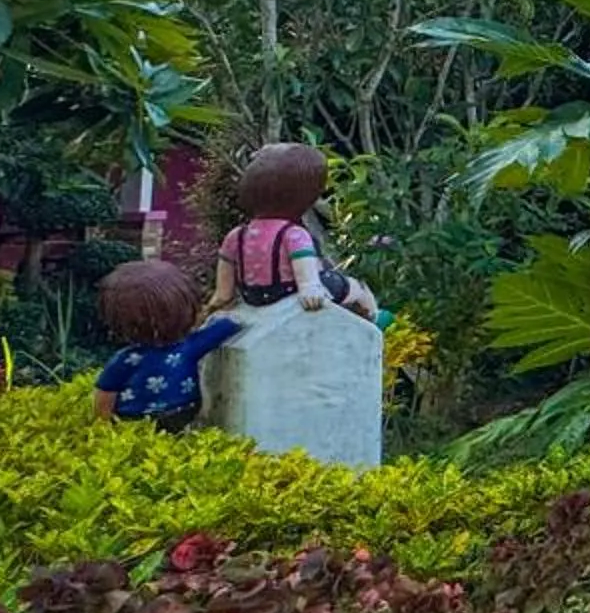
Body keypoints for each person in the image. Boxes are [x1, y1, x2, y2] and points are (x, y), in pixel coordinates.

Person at [212, 142, 379, 319]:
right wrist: (310, 288)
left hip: (253, 297)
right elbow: (306, 278)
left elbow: (224, 292)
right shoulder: (293, 234)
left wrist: (219, 302)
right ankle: (374, 317)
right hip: (287, 291)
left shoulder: (236, 235)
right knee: (356, 287)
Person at [94, 260, 243, 432]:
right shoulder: (188, 347)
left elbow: (104, 397)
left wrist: (104, 426)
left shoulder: (127, 358)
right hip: (173, 412)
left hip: (145, 416)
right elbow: (229, 324)